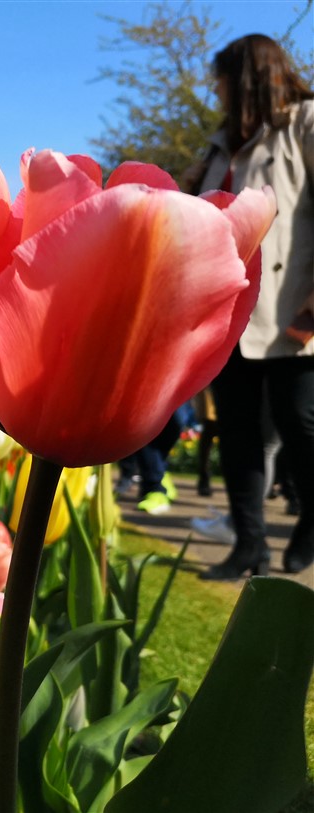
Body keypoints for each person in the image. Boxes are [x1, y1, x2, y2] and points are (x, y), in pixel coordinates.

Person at [195, 35, 314, 580]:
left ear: (244, 77)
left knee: (300, 422)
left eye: (221, 79)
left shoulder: (304, 124)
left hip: (292, 309)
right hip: (225, 315)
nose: (215, 90)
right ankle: (250, 544)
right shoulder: (220, 148)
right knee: (238, 433)